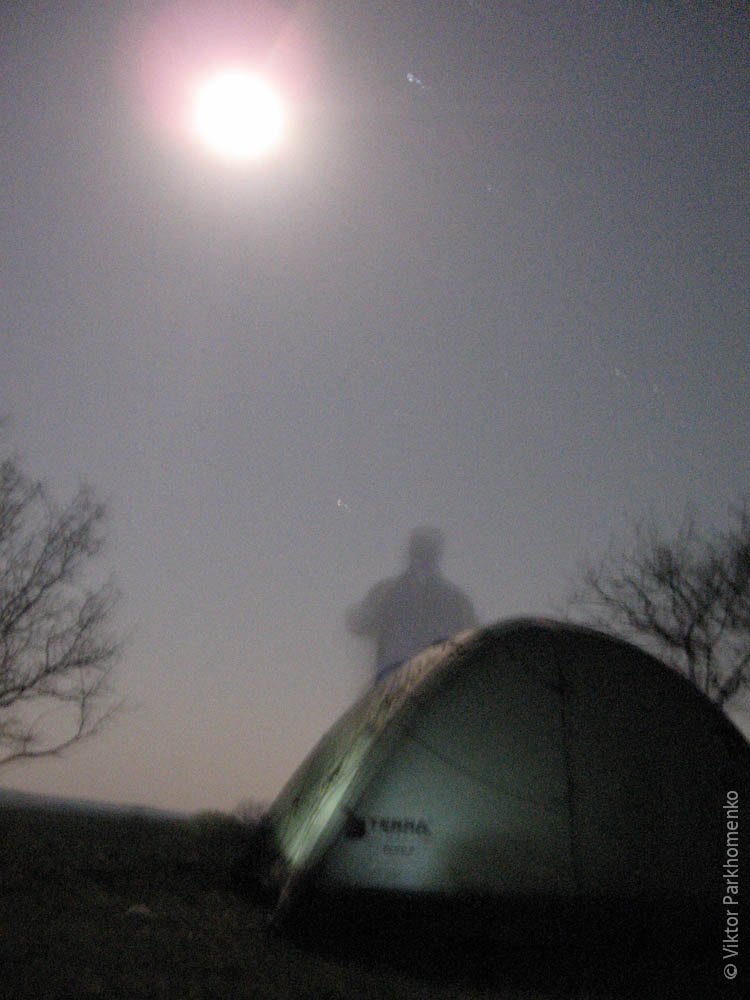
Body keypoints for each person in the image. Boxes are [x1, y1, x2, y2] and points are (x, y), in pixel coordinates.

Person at [346, 527, 477, 684]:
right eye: (422, 550)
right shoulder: (387, 591)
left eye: (427, 550)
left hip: (433, 675)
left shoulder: (454, 598)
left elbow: (471, 638)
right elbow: (361, 624)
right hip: (401, 675)